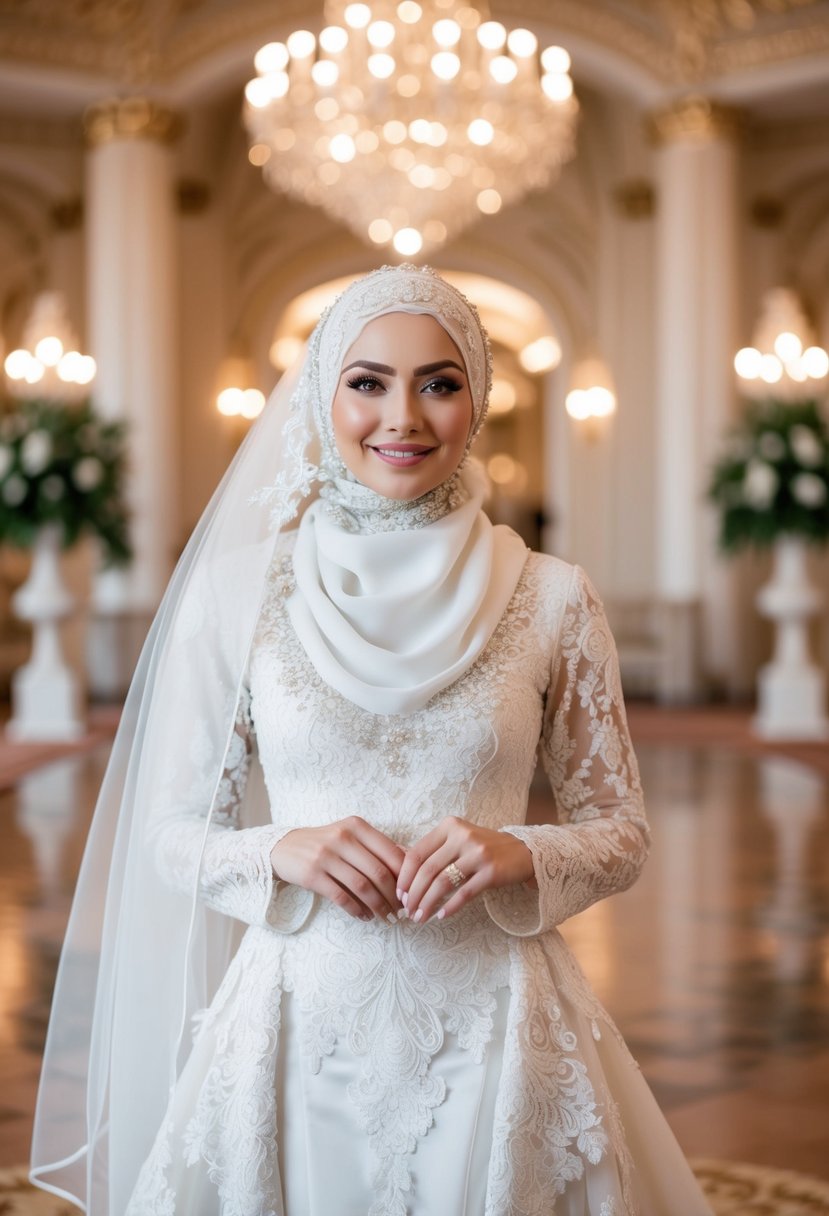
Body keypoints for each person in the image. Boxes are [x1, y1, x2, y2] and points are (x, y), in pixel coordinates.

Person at [31, 265, 713, 1215]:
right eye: (368, 382)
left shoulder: (554, 595)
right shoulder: (238, 593)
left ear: (476, 400)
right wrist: (283, 847)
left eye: (439, 382)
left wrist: (517, 849)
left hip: (499, 1029)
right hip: (294, 1028)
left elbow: (620, 830)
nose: (403, 416)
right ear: (321, 394)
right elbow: (169, 831)